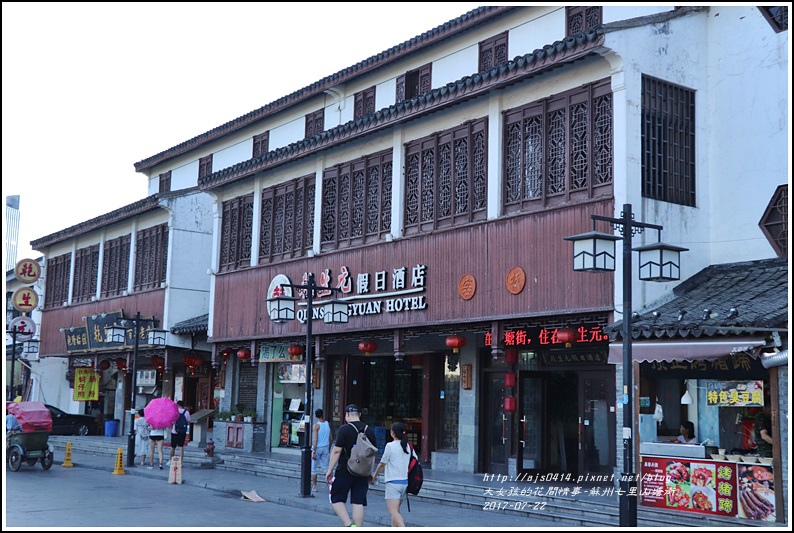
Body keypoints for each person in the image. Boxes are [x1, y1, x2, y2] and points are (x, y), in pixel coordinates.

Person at [326, 404, 378, 527]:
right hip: (363, 472)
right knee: (358, 501)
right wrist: (370, 471)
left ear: (347, 414)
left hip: (345, 470)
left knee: (336, 498)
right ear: (359, 415)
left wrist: (329, 469)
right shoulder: (369, 430)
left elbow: (336, 451)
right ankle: (358, 527)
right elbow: (372, 454)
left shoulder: (344, 429)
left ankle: (349, 525)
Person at [371, 422, 414, 527]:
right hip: (405, 483)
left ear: (393, 433)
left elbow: (382, 463)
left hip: (393, 483)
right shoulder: (408, 446)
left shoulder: (390, 446)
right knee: (396, 511)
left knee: (394, 512)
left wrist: (374, 476)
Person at [311, 408, 332, 492]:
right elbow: (331, 438)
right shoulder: (327, 424)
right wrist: (329, 447)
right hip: (326, 447)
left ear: (316, 416)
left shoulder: (316, 426)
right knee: (326, 468)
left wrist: (314, 451)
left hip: (318, 448)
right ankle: (331, 484)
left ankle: (315, 486)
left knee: (313, 468)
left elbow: (315, 440)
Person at [168, 401, 191, 466]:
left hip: (174, 431)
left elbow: (171, 421)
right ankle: (180, 462)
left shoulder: (175, 411)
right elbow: (188, 422)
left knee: (173, 447)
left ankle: (171, 461)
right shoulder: (186, 412)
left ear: (177, 405)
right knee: (181, 447)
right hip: (182, 432)